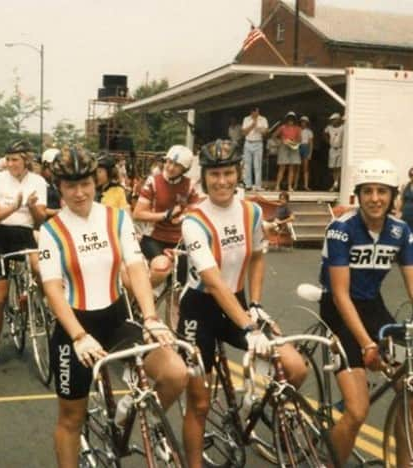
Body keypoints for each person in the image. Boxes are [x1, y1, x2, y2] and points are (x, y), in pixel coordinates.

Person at [37, 146, 188, 467]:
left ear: (96, 182)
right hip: (74, 329)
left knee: (175, 373)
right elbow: (52, 290)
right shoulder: (51, 231)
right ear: (59, 188)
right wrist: (78, 336)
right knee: (70, 420)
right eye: (70, 186)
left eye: (85, 184)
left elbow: (135, 268)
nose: (79, 193)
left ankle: (128, 411)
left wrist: (150, 317)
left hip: (117, 321)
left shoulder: (116, 217)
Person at [178, 139, 307, 468]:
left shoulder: (251, 211)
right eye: (215, 174)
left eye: (229, 173)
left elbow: (259, 255)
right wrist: (249, 327)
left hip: (239, 303)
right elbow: (213, 281)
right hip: (200, 310)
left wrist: (258, 305)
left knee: (294, 367)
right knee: (200, 403)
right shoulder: (194, 221)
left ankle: (251, 408)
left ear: (239, 174)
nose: (222, 181)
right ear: (204, 178)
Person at [319, 158, 413, 465]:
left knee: (409, 393)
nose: (375, 198)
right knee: (357, 412)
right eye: (368, 191)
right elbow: (341, 295)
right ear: (358, 196)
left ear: (393, 196)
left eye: (382, 192)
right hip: (338, 310)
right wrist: (367, 344)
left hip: (373, 307)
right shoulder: (342, 229)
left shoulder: (400, 231)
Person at [0, 140, 47, 370]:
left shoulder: (38, 181)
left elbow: (40, 221)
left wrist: (31, 207)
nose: (10, 164)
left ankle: (43, 306)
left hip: (25, 233)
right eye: (8, 160)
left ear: (26, 160)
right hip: (0, 236)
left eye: (15, 160)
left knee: (40, 269)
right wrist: (13, 207)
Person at [132, 144, 200, 289]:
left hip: (180, 240)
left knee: (179, 287)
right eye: (168, 162)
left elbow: (196, 212)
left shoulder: (189, 185)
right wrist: (165, 215)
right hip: (154, 238)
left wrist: (183, 217)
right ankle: (142, 298)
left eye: (176, 165)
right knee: (161, 268)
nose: (170, 167)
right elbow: (137, 214)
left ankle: (175, 310)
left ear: (185, 169)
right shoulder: (153, 182)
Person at [241, 106, 268, 190]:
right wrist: (252, 125)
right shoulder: (246, 119)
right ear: (251, 112)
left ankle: (258, 186)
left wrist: (259, 128)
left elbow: (266, 133)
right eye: (253, 112)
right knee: (247, 165)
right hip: (248, 142)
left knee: (257, 165)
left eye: (257, 111)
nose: (255, 113)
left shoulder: (263, 119)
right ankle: (248, 185)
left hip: (258, 143)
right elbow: (244, 132)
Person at [273, 111, 301, 192]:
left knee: (292, 168)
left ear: (294, 120)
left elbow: (300, 139)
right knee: (282, 167)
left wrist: (294, 141)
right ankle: (277, 185)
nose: (291, 120)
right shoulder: (282, 127)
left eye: (292, 119)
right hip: (284, 147)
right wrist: (281, 141)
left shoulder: (298, 128)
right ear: (287, 119)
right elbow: (274, 136)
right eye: (289, 118)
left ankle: (289, 186)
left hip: (293, 147)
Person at [324, 112, 344, 191]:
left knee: (339, 167)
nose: (333, 121)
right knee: (333, 167)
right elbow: (324, 133)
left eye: (334, 120)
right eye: (332, 120)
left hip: (341, 148)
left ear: (338, 120)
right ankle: (336, 182)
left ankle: (336, 183)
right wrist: (328, 141)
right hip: (332, 148)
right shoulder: (329, 127)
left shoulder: (343, 127)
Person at [41, 147, 62, 218]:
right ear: (46, 165)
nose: (58, 167)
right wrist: (59, 211)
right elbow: (39, 209)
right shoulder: (39, 182)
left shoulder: (58, 181)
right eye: (55, 164)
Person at [297, 115, 313, 190]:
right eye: (302, 122)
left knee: (305, 168)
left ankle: (306, 185)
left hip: (305, 147)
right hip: (298, 147)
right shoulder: (297, 129)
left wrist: (310, 153)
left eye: (304, 122)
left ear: (307, 123)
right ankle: (295, 185)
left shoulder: (309, 131)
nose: (303, 123)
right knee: (297, 167)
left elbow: (311, 143)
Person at [396, 166, 413, 231]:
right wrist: (398, 212)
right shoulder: (405, 185)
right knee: (406, 232)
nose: (412, 177)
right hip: (406, 214)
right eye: (411, 175)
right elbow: (401, 200)